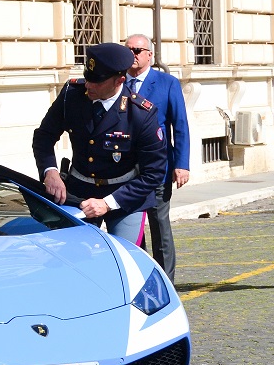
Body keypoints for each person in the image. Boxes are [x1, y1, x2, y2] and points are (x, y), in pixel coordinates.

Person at [32, 43, 168, 242]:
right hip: (78, 192)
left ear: (119, 80)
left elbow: (154, 172)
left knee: (124, 257)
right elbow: (44, 136)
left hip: (123, 196)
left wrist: (108, 203)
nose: (88, 85)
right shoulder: (72, 95)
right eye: (87, 78)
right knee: (73, 253)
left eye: (96, 82)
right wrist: (50, 172)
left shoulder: (140, 113)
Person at [124, 34, 190, 281]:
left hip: (158, 167)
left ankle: (166, 281)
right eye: (128, 49)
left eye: (138, 50)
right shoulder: (117, 82)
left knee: (159, 226)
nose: (132, 54)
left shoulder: (166, 83)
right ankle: (139, 277)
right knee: (132, 228)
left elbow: (180, 125)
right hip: (125, 170)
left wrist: (181, 165)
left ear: (149, 55)